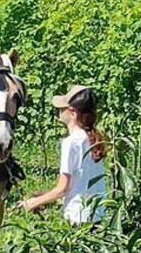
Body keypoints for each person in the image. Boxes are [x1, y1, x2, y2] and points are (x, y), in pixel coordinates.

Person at [17, 85, 107, 224]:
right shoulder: (95, 138)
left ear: (72, 113)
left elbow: (62, 189)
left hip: (77, 216)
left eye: (62, 107)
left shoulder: (70, 143)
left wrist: (33, 202)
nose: (59, 110)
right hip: (97, 214)